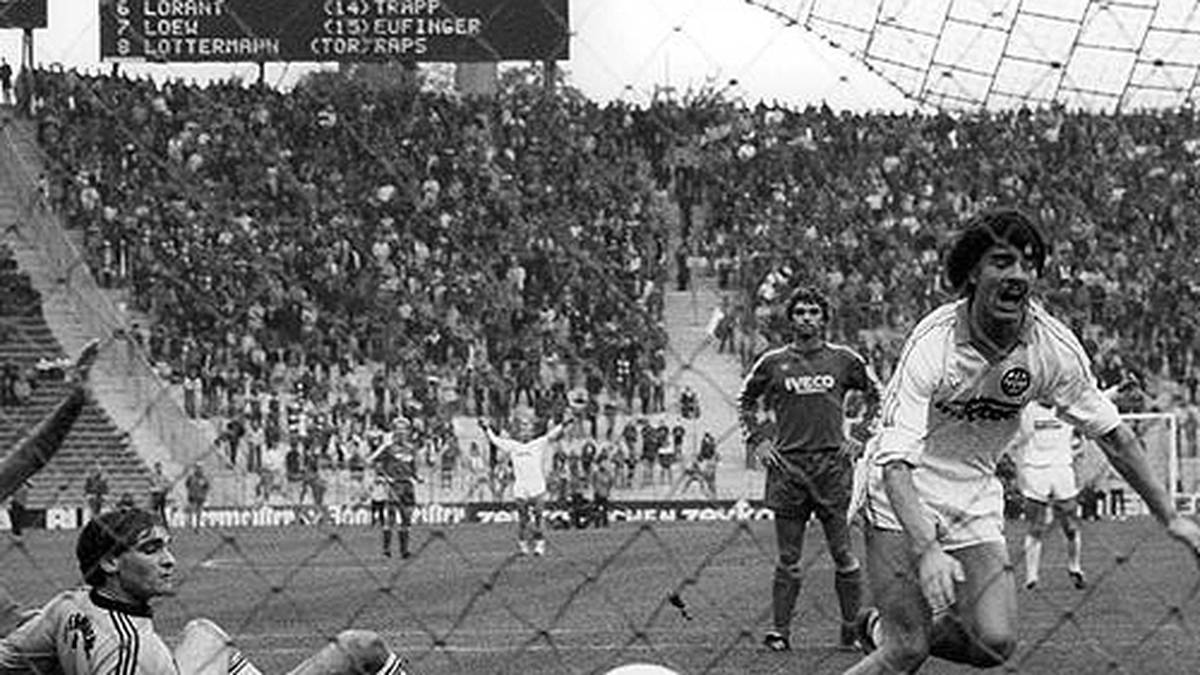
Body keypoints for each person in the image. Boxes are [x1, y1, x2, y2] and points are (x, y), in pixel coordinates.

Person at [845, 208, 1200, 674]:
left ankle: (879, 626)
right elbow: (894, 464)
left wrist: (1171, 517)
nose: (1018, 274)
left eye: (1028, 264)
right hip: (900, 489)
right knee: (906, 650)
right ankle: (893, 634)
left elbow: (1114, 436)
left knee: (994, 642)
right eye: (1002, 261)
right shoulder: (933, 342)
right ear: (973, 272)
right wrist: (928, 549)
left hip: (972, 493)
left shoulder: (1052, 348)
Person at [0, 507, 411, 675]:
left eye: (168, 546)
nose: (170, 560)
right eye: (151, 549)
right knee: (364, 647)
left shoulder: (68, 606)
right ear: (110, 562)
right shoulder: (132, 651)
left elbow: (8, 657)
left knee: (204, 632)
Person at [738, 285, 882, 652]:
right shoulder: (772, 363)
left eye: (813, 312)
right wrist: (759, 440)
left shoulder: (844, 360)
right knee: (788, 557)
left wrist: (861, 435)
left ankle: (850, 630)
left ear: (824, 319)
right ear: (791, 319)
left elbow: (879, 395)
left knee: (843, 554)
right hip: (788, 468)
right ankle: (780, 632)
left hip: (832, 467)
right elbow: (745, 401)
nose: (806, 318)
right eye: (800, 312)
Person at [1010, 401, 1087, 590]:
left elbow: (1094, 399)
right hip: (1035, 470)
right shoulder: (1027, 409)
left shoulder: (1067, 406)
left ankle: (1074, 566)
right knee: (1036, 526)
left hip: (1062, 469)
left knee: (1070, 526)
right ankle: (1031, 577)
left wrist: (1118, 389)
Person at [479, 409, 573, 556]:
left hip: (537, 487)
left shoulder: (538, 443)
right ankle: (523, 545)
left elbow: (552, 435)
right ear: (519, 432)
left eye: (527, 428)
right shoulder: (513, 446)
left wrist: (564, 424)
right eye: (522, 429)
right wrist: (486, 428)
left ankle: (539, 545)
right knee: (523, 519)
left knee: (538, 517)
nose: (525, 432)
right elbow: (495, 441)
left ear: (531, 431)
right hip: (521, 488)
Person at [367, 438, 420, 558]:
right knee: (391, 517)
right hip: (394, 486)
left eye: (404, 431)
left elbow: (413, 468)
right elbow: (374, 461)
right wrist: (386, 477)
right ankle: (386, 550)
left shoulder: (410, 449)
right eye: (398, 431)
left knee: (406, 517)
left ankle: (404, 551)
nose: (401, 434)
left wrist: (416, 477)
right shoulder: (388, 449)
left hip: (407, 486)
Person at [184, 464, 210, 531]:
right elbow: (187, 484)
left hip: (200, 497)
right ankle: (191, 524)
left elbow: (207, 486)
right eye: (197, 468)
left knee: (199, 512)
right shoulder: (191, 477)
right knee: (191, 510)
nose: (199, 470)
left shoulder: (204, 478)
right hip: (192, 496)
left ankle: (197, 525)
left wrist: (204, 493)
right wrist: (191, 491)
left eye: (200, 468)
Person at [147, 462, 171, 528]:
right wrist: (157, 489)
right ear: (155, 468)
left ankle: (165, 525)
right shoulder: (152, 477)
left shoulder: (164, 476)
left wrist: (164, 488)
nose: (159, 469)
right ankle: (153, 525)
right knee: (154, 511)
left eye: (160, 467)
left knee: (162, 511)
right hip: (155, 496)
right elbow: (149, 487)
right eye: (157, 467)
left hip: (162, 496)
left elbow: (168, 485)